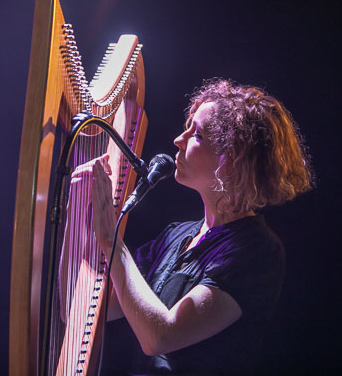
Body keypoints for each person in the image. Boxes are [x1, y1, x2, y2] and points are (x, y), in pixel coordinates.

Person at [91, 78, 312, 374]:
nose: (178, 140)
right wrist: (81, 212)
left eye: (196, 135)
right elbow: (98, 307)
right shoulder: (176, 236)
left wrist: (111, 239)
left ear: (232, 160)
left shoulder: (257, 251)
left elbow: (160, 336)